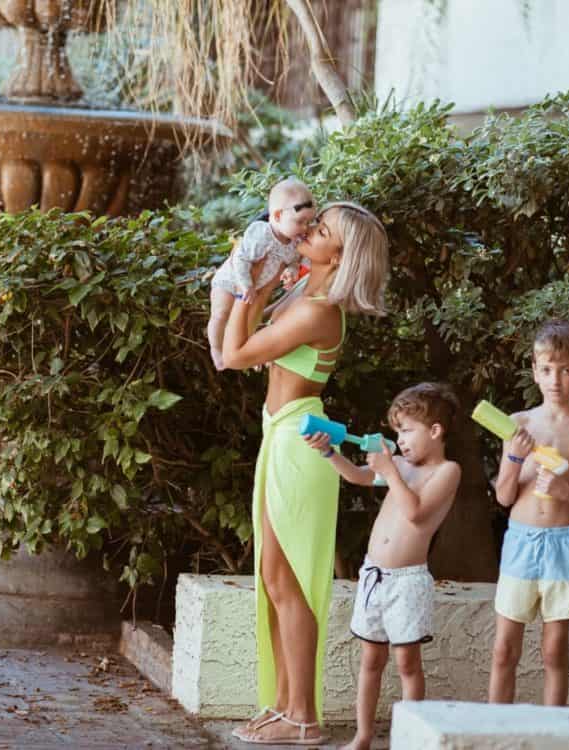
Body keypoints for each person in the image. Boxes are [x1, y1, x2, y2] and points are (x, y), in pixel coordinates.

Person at [223, 202, 389, 745]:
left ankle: (303, 717)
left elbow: (235, 353)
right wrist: (259, 280)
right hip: (281, 437)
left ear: (338, 255)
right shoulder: (304, 292)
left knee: (288, 583)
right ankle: (283, 705)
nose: (307, 231)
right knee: (273, 582)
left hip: (298, 444)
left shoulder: (320, 311)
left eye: (320, 231)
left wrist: (248, 290)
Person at [305, 383, 462, 750]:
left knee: (407, 663)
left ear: (435, 431)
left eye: (407, 430)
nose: (401, 440)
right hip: (374, 576)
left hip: (407, 582)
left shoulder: (447, 471)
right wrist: (329, 451)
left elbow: (417, 513)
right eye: (397, 433)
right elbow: (358, 476)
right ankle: (363, 736)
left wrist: (391, 470)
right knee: (370, 660)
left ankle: (410, 739)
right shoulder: (402, 464)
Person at [488, 318, 569, 706]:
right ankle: (494, 732)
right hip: (520, 542)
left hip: (564, 545)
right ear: (534, 370)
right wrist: (514, 457)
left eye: (566, 370)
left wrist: (568, 492)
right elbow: (504, 497)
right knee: (503, 651)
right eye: (546, 369)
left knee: (554, 651)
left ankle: (553, 733)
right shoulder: (518, 424)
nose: (555, 380)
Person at [207, 177, 315, 370]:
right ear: (278, 215)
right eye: (300, 221)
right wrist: (245, 285)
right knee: (220, 314)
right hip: (230, 282)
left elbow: (294, 262)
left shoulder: (294, 241)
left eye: (309, 222)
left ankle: (248, 351)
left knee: (249, 321)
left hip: (255, 289)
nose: (306, 228)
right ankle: (216, 349)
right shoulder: (261, 234)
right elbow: (239, 258)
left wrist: (291, 271)